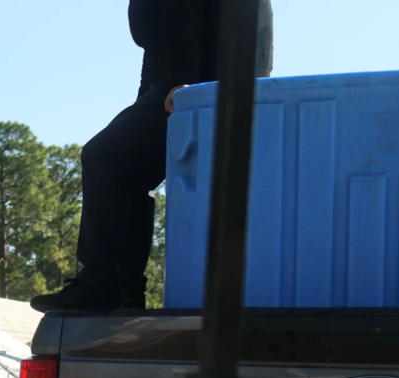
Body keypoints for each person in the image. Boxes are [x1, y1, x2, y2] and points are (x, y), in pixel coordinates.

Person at [31, 0, 273, 312]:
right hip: (225, 86)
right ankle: (124, 292)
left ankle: (102, 285)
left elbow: (180, 17)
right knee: (126, 170)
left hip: (197, 85)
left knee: (103, 158)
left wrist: (179, 83)